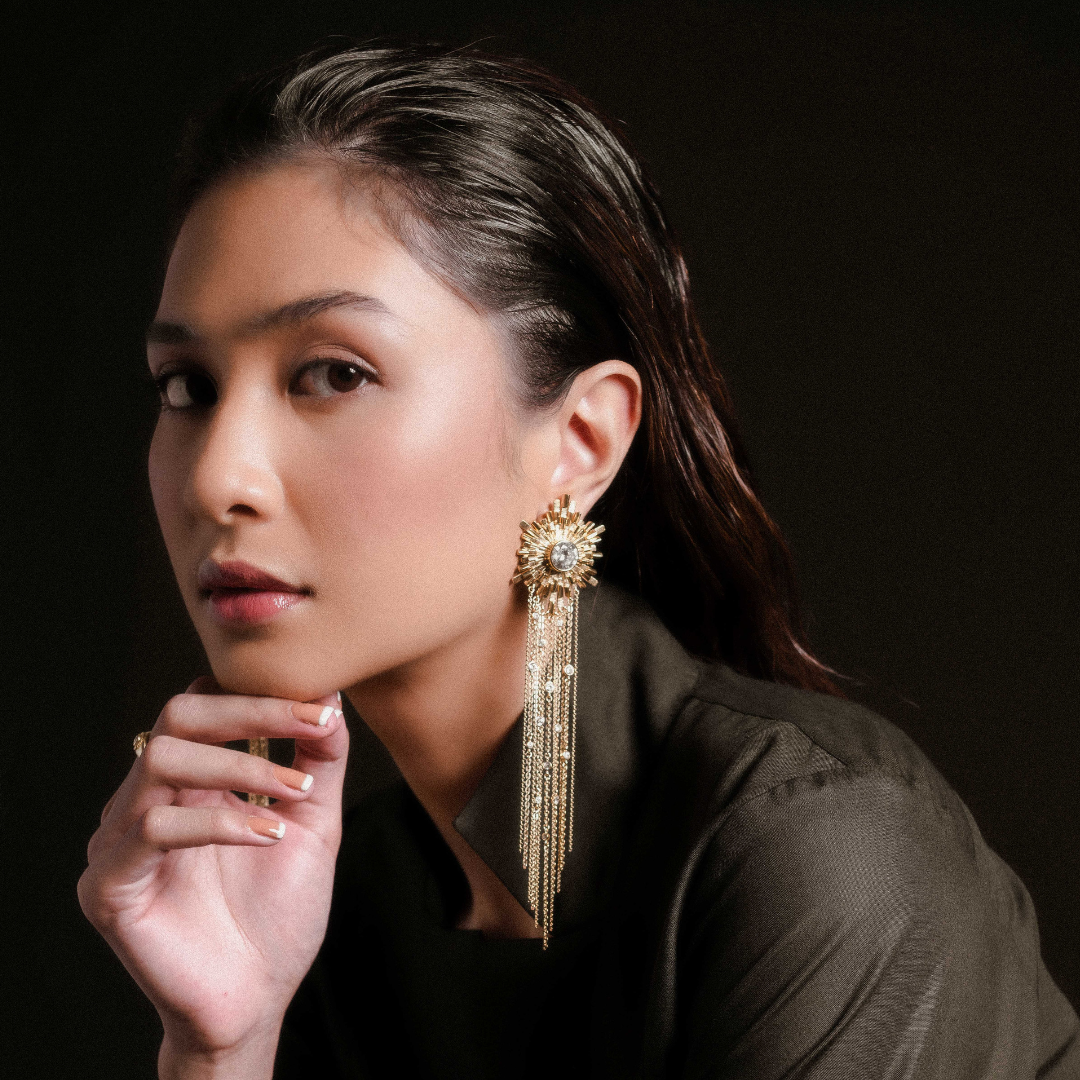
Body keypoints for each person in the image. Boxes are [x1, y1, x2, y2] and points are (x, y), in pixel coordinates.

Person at [78, 42, 1078, 1079]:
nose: (217, 478)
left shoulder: (818, 844)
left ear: (580, 443)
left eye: (334, 373)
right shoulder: (333, 904)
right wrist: (222, 1046)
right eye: (187, 386)